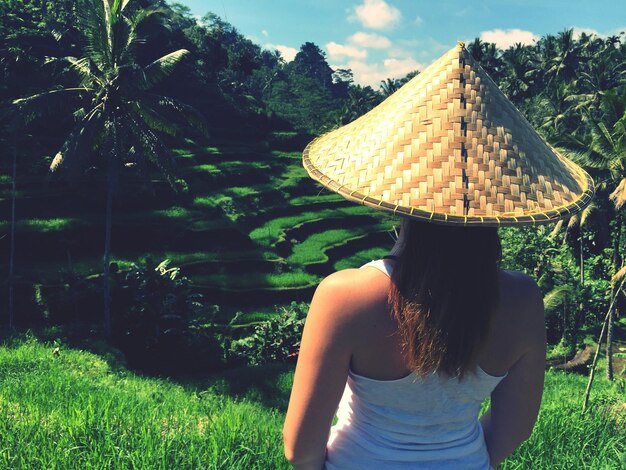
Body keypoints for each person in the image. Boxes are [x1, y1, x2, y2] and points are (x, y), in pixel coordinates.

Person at [283, 42, 594, 469]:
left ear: (396, 196)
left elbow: (300, 449)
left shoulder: (345, 297)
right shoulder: (523, 300)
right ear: (501, 200)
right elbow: (515, 428)